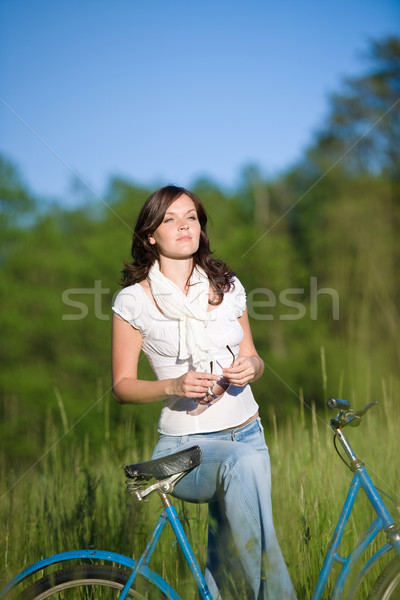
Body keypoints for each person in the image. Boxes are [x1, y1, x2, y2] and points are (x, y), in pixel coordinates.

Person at [111, 185, 296, 600]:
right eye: (170, 219)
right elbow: (122, 387)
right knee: (243, 469)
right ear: (149, 236)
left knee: (227, 562)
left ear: (201, 227)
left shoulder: (227, 286)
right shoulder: (132, 302)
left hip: (249, 432)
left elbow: (254, 356)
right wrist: (173, 385)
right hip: (186, 446)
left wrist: (252, 368)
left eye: (191, 217)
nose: (184, 226)